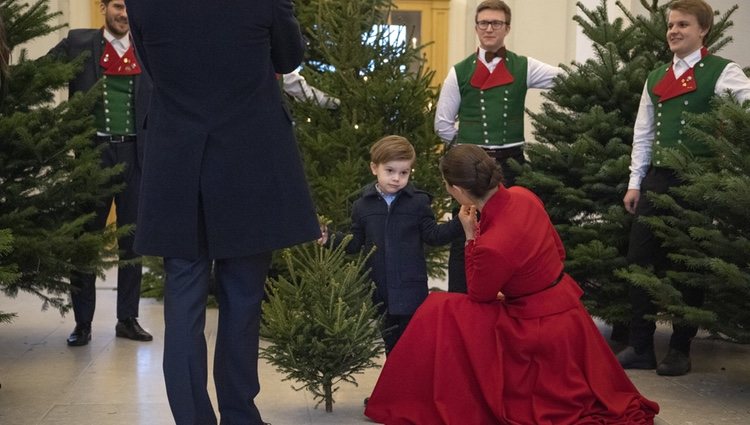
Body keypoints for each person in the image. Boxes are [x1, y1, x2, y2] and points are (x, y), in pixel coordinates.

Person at [364, 144, 659, 424]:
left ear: (459, 190)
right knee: (443, 307)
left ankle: (418, 394)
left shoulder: (491, 245)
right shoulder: (524, 195)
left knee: (438, 309)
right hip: (567, 308)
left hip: (533, 324)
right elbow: (558, 251)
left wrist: (469, 237)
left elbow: (480, 294)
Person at [125, 0, 320, 424]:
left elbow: (153, 70)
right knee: (243, 300)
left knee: (183, 307)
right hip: (248, 160)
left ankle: (192, 418)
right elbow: (289, 58)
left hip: (177, 161)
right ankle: (239, 415)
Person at [618, 0, 750, 377]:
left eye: (683, 25)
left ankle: (680, 349)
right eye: (671, 25)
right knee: (639, 260)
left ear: (702, 30)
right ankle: (641, 347)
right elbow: (643, 133)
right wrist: (634, 182)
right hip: (656, 179)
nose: (674, 31)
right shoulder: (656, 75)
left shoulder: (723, 72)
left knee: (686, 267)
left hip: (699, 182)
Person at [434, 0, 562, 293]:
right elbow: (442, 124)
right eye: (484, 23)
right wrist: (467, 152)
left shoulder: (524, 66)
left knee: (513, 230)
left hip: (512, 163)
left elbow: (566, 78)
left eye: (496, 23)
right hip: (471, 167)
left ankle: (515, 294)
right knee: (465, 230)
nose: (489, 28)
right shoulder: (459, 72)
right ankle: (462, 296)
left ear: (507, 28)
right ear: (476, 27)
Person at [47, 0, 152, 346]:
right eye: (119, 6)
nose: (125, 14)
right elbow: (43, 71)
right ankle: (83, 322)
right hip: (93, 154)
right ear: (104, 7)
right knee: (86, 241)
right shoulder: (78, 42)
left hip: (135, 154)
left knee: (132, 241)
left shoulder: (146, 47)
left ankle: (127, 318)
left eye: (130, 8)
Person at [319, 135, 462, 354]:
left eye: (404, 173)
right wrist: (329, 238)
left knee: (414, 345)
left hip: (411, 289)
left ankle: (415, 387)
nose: (396, 178)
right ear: (374, 168)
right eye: (390, 171)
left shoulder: (418, 202)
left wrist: (460, 221)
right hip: (379, 289)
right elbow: (355, 243)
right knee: (391, 346)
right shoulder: (362, 206)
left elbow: (434, 235)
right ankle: (394, 387)